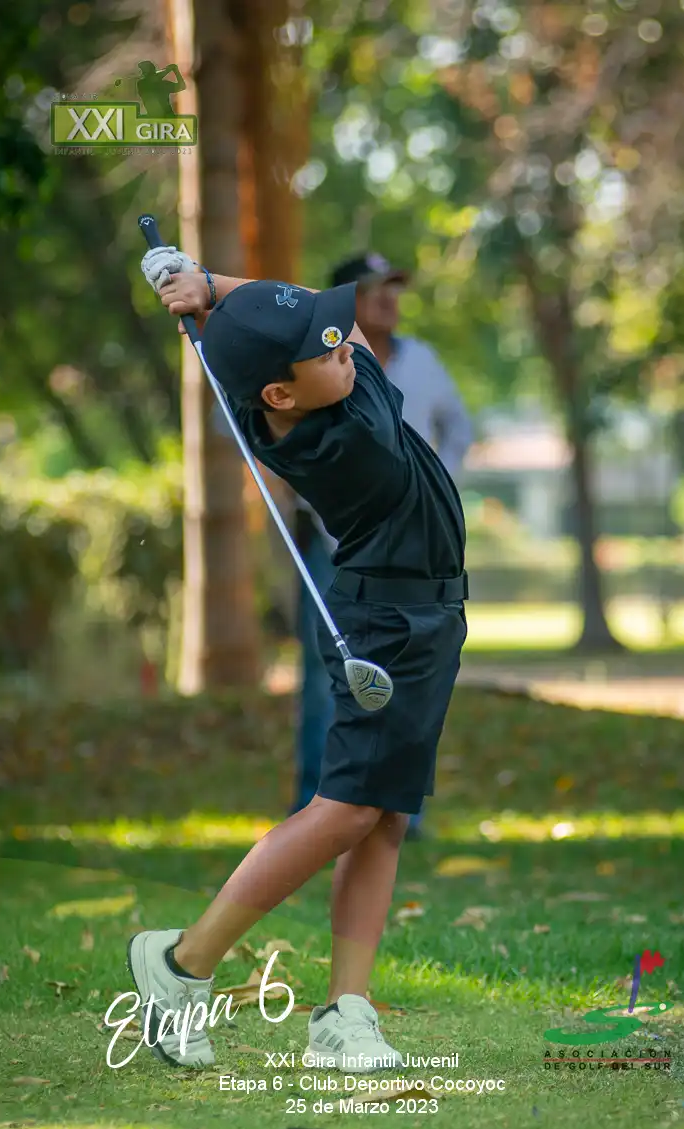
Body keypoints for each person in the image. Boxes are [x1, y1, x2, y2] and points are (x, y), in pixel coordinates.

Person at [131, 243, 468, 1070]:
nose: (341, 344)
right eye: (322, 347)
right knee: (347, 810)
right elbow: (333, 329)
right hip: (389, 622)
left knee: (384, 813)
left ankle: (345, 1011)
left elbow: (306, 318)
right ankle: (182, 963)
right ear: (281, 393)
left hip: (414, 612)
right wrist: (215, 291)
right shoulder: (356, 430)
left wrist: (206, 288)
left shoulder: (285, 403)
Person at [290, 253, 473, 840]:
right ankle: (317, 805)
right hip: (330, 546)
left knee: (407, 676)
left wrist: (436, 488)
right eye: (373, 289)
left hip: (409, 551)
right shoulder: (315, 362)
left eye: (393, 287)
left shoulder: (423, 360)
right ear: (343, 301)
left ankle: (399, 811)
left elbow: (459, 429)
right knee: (329, 677)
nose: (389, 299)